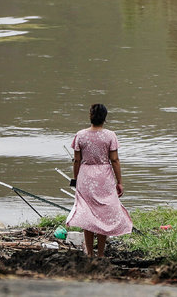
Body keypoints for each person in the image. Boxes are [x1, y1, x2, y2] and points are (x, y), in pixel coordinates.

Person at [66, 104, 133, 257]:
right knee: (104, 214)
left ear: (90, 116)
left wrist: (76, 180)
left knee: (88, 214)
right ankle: (100, 253)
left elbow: (77, 161)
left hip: (86, 176)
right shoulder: (110, 135)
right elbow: (114, 160)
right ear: (105, 118)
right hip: (104, 177)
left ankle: (89, 253)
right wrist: (119, 182)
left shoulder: (80, 135)